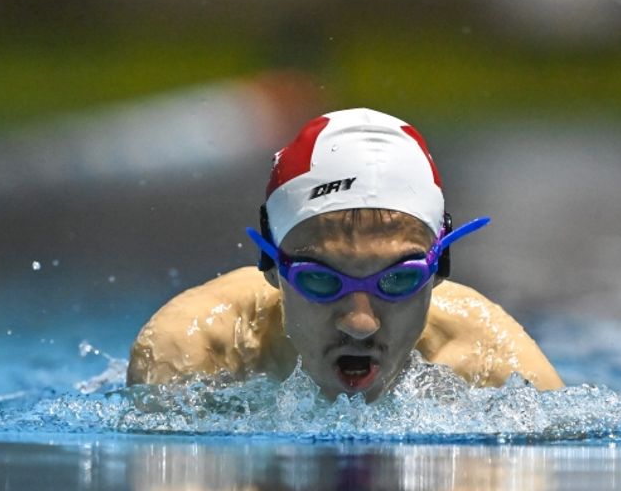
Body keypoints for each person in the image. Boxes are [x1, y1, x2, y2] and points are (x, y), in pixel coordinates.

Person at [127, 108, 563, 401]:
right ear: (272, 267)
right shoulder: (193, 352)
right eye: (320, 278)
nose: (360, 324)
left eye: (398, 279)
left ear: (439, 267)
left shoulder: (497, 369)